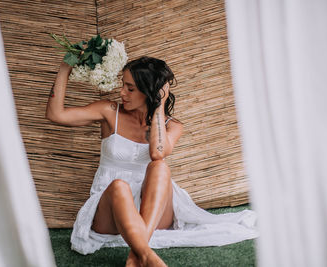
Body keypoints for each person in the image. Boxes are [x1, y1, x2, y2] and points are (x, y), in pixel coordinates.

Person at [46, 56, 257, 267]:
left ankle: (138, 252)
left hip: (154, 211)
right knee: (120, 187)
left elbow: (158, 153)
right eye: (122, 85)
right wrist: (65, 68)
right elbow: (56, 114)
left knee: (159, 167)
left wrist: (159, 105)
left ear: (149, 92)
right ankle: (145, 256)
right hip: (111, 206)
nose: (121, 92)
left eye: (130, 88)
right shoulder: (110, 112)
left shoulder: (172, 126)